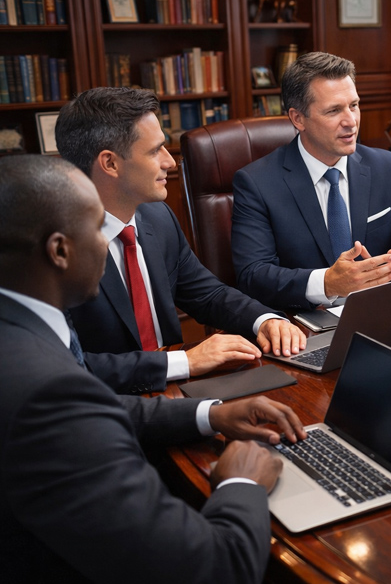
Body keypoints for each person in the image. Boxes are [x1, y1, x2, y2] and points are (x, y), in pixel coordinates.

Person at [0, 154, 308, 583]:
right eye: (97, 227)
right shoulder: (42, 396)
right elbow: (215, 568)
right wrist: (241, 484)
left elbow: (92, 406)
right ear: (59, 250)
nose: (110, 239)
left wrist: (208, 414)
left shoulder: (12, 322)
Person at [56, 87, 306, 395]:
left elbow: (207, 295)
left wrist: (263, 320)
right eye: (154, 151)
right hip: (107, 409)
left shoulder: (157, 217)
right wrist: (183, 362)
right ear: (110, 164)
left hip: (177, 393)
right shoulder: (55, 252)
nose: (170, 163)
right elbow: (67, 367)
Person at [232, 51, 391, 311]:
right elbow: (253, 275)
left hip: (381, 313)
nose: (351, 122)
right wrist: (327, 283)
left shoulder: (386, 166)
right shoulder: (256, 183)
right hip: (304, 327)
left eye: (354, 105)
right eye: (334, 111)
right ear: (298, 119)